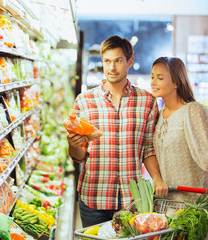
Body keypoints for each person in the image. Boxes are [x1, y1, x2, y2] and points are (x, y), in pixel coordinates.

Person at [67, 35, 168, 228]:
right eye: (107, 61)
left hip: (132, 202)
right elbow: (79, 156)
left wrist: (157, 179)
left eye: (118, 61)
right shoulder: (84, 101)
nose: (111, 67)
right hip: (93, 199)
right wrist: (73, 145)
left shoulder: (147, 101)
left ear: (130, 61)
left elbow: (148, 149)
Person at [150, 56, 208, 204]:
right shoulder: (159, 115)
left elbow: (207, 148)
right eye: (152, 77)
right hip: (165, 203)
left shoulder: (192, 111)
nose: (153, 82)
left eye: (160, 78)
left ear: (176, 82)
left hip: (192, 204)